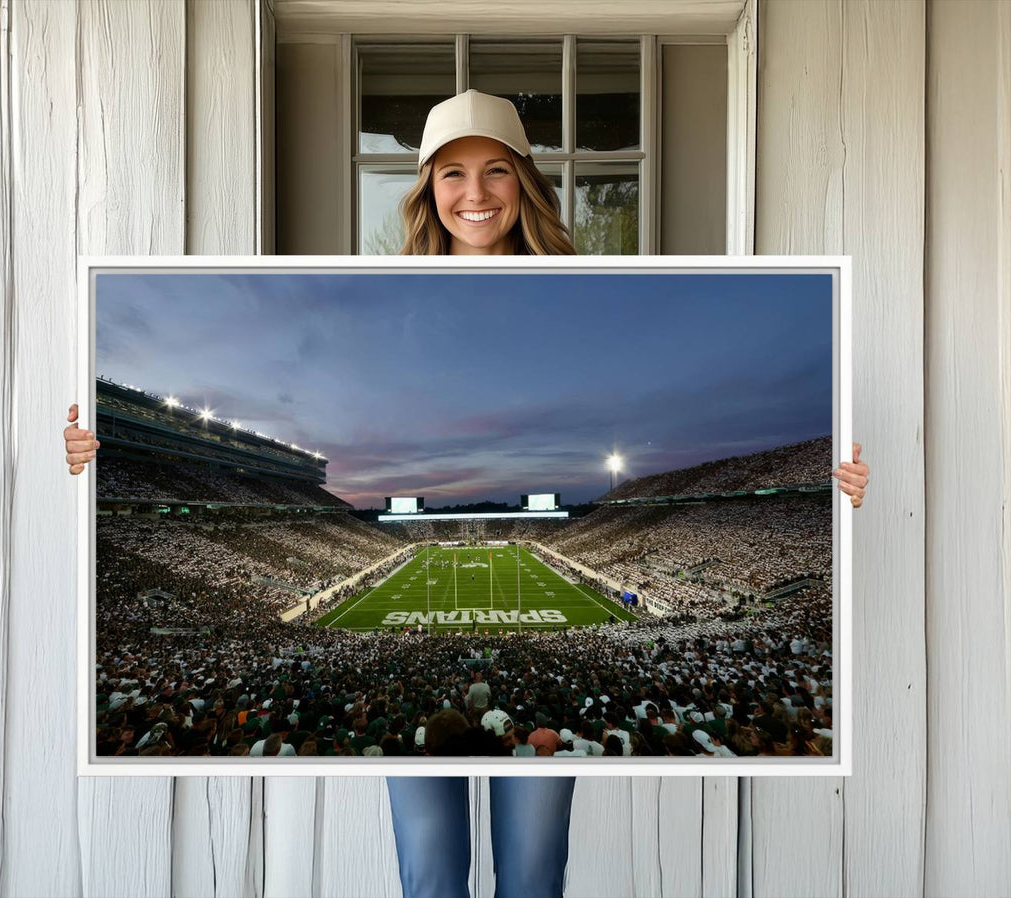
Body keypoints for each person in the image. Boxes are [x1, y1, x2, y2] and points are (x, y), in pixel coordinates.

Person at [63, 89, 871, 898]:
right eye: (452, 173)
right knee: (431, 874)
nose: (475, 193)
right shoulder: (390, 293)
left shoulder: (586, 285)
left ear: (525, 181)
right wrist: (89, 458)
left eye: (495, 171)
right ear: (426, 188)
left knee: (531, 875)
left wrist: (839, 490)